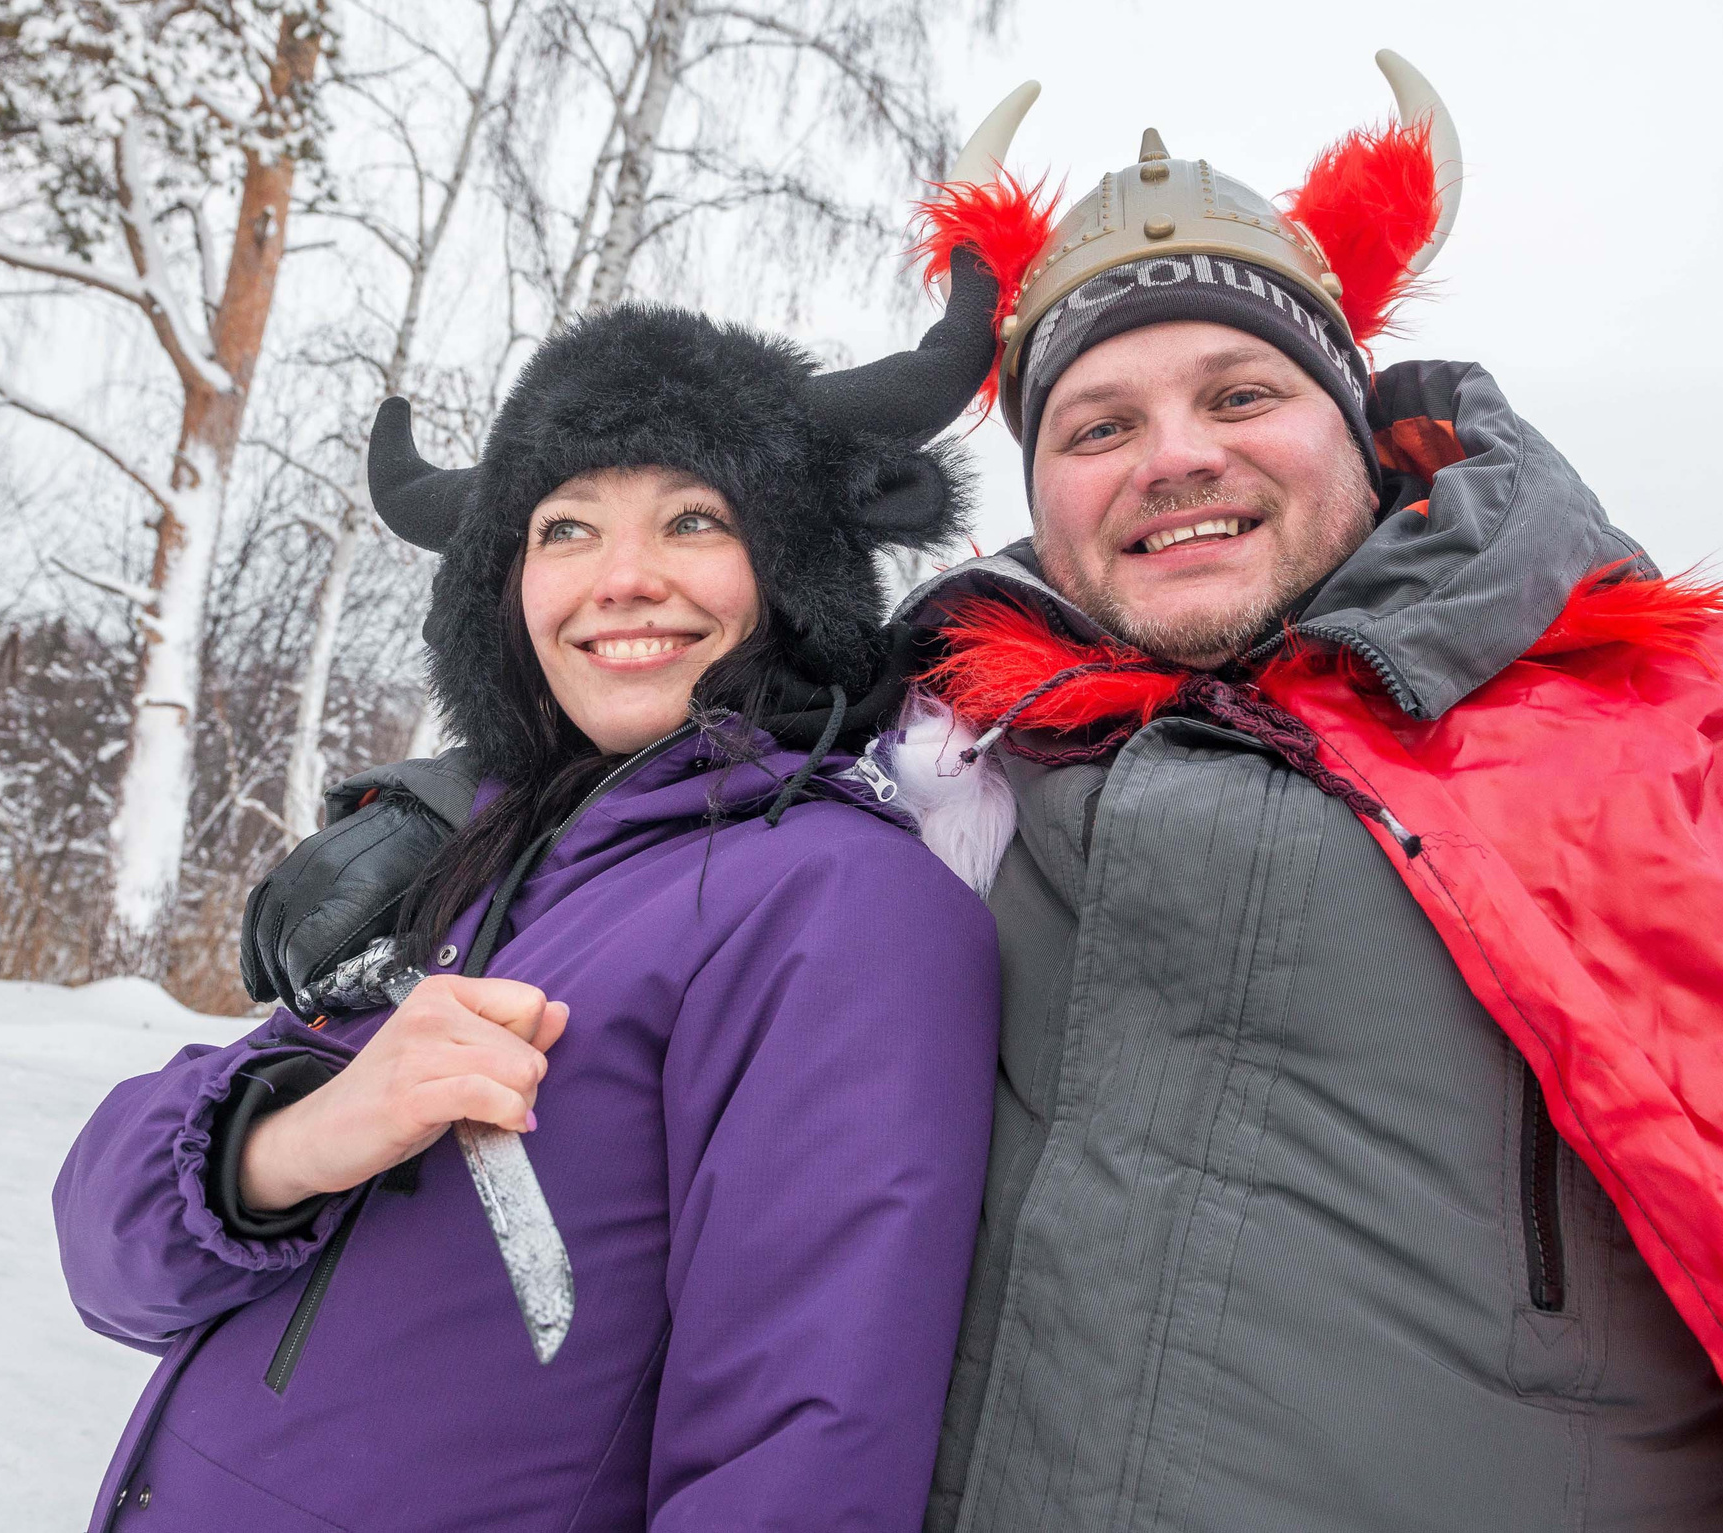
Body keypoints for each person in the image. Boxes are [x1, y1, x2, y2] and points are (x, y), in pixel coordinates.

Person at [244, 52, 1723, 1531]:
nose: (1175, 458)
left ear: (1357, 427)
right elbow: (684, 700)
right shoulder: (967, 735)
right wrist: (450, 803)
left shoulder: (1640, 716)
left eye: (1240, 395)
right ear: (1041, 491)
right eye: (1099, 423)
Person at [52, 243, 1016, 1531]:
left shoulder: (840, 905)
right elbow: (111, 1253)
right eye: (566, 528)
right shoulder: (483, 860)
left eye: (695, 520)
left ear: (792, 566)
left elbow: (801, 1460)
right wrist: (297, 1139)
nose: (622, 578)